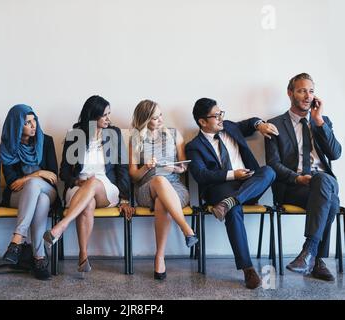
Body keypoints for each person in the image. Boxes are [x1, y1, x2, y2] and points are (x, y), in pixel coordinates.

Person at [186, 98, 277, 289]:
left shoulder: (229, 127)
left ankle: (231, 201)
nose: (220, 118)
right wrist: (231, 174)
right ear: (202, 121)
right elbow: (201, 175)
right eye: (215, 115)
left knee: (268, 171)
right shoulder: (194, 146)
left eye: (221, 113)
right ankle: (248, 269)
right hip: (221, 188)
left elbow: (251, 121)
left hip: (249, 186)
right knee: (233, 209)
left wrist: (260, 125)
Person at [43, 95, 134, 274]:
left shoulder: (113, 134)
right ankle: (83, 256)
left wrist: (125, 198)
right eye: (104, 115)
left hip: (106, 188)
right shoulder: (75, 135)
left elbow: (122, 168)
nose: (109, 119)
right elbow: (64, 172)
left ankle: (61, 226)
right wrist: (76, 181)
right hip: (78, 188)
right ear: (93, 116)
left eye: (109, 114)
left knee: (92, 182)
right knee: (88, 204)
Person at [265, 73, 341, 281]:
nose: (308, 96)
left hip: (322, 183)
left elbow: (335, 153)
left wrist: (318, 122)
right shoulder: (275, 125)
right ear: (290, 93)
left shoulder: (322, 122)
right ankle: (317, 260)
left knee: (324, 180)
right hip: (293, 186)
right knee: (332, 202)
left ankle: (308, 252)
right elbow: (273, 164)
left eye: (311, 91)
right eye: (301, 90)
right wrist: (297, 178)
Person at [129, 99, 198, 280]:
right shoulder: (136, 139)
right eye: (154, 118)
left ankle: (159, 257)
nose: (160, 120)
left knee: (162, 202)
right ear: (144, 120)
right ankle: (186, 228)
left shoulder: (175, 135)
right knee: (159, 179)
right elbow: (133, 175)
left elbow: (184, 167)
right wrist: (146, 167)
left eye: (160, 115)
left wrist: (173, 168)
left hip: (175, 188)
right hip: (147, 189)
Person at [0, 104, 60, 280]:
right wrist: (39, 173)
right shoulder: (8, 145)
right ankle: (39, 258)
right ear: (16, 125)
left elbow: (53, 177)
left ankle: (17, 240)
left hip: (48, 190)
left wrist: (29, 179)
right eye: (27, 122)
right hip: (19, 196)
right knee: (40, 199)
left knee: (36, 187)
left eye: (34, 120)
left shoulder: (46, 141)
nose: (33, 125)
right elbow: (12, 183)